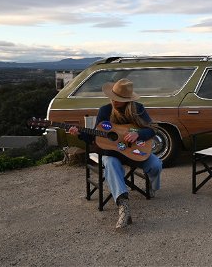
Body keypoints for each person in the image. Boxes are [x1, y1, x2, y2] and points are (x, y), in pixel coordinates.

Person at [69, 78, 162, 229]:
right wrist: (79, 133)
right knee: (110, 163)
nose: (114, 101)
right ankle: (123, 205)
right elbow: (95, 137)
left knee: (156, 164)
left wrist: (138, 134)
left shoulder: (138, 109)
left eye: (118, 99)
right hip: (113, 153)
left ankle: (153, 186)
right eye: (113, 97)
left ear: (127, 100)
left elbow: (152, 129)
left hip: (134, 152)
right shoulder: (105, 111)